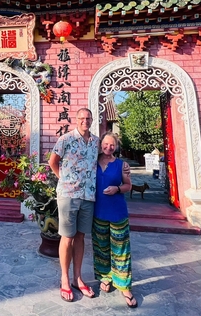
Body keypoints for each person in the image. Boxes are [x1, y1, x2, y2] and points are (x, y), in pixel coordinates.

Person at [49, 108, 99, 302]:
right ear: (75, 120)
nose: (85, 121)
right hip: (69, 194)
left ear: (92, 120)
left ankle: (78, 278)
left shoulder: (96, 142)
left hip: (88, 196)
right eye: (81, 118)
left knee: (80, 236)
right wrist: (64, 179)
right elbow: (53, 162)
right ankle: (64, 278)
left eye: (88, 118)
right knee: (67, 237)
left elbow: (104, 159)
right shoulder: (66, 139)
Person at [93, 131, 137, 308]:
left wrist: (117, 189)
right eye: (105, 144)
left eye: (112, 145)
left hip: (117, 213)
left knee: (121, 251)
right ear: (100, 144)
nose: (108, 147)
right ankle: (105, 277)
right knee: (101, 248)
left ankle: (124, 285)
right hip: (98, 213)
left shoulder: (121, 165)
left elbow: (128, 186)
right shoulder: (92, 163)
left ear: (116, 147)